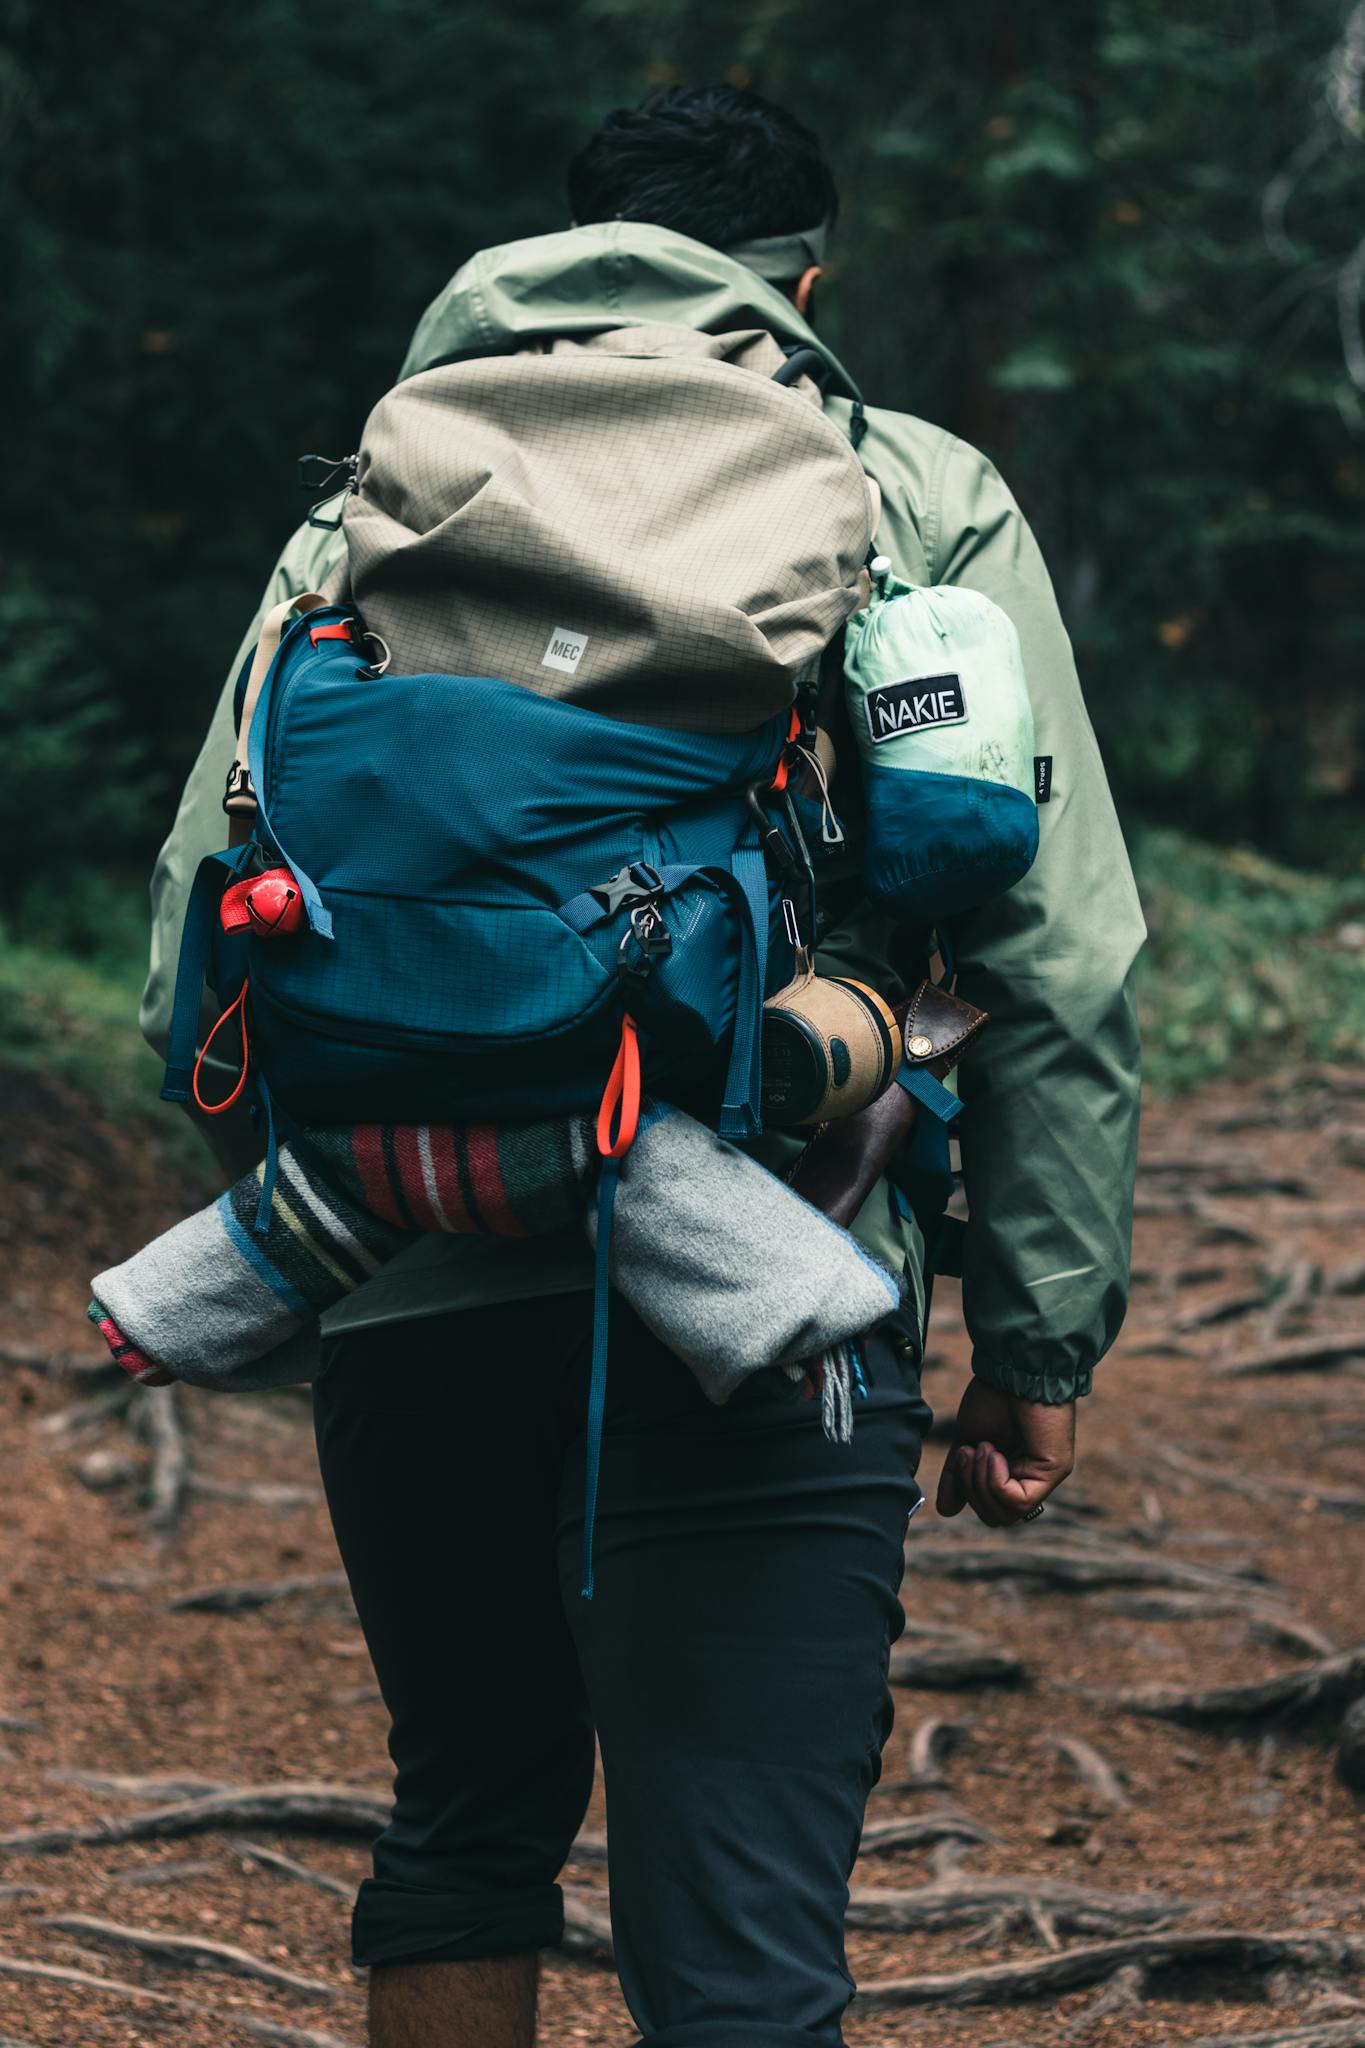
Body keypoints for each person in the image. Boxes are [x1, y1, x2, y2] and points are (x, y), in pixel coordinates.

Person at [141, 84, 1144, 2048]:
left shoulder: (376, 499)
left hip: (403, 1266)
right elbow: (1056, 944)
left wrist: (342, 1190)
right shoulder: (906, 486)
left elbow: (199, 907)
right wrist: (1035, 1342)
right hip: (763, 1281)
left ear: (567, 252)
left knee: (463, 1825)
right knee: (739, 1935)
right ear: (801, 271)